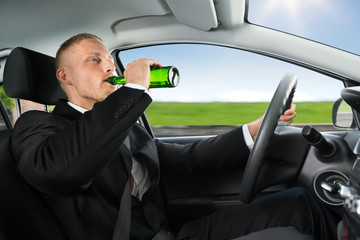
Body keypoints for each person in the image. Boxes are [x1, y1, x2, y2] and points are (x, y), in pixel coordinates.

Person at [9, 33, 337, 240]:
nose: (110, 68)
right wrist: (135, 89)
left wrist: (256, 128)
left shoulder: (127, 127)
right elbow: (57, 170)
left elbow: (187, 159)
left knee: (298, 204)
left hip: (169, 231)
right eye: (95, 61)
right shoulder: (38, 125)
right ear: (63, 76)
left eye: (110, 60)